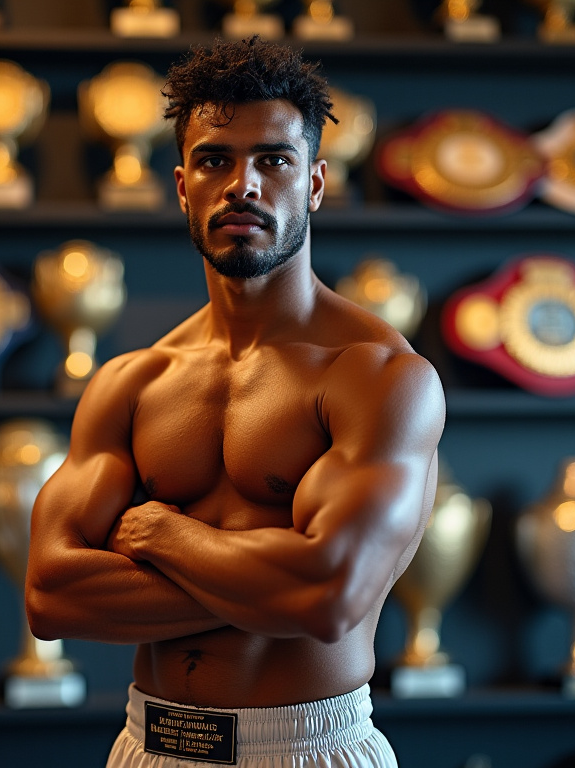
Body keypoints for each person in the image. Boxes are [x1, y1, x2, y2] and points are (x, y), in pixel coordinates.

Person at [26, 37, 445, 768]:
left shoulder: (376, 376)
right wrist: (273, 580)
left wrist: (161, 533)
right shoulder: (134, 381)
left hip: (306, 749)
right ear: (182, 186)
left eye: (273, 161)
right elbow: (52, 596)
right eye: (215, 160)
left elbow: (329, 598)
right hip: (149, 746)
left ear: (315, 184)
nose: (242, 185)